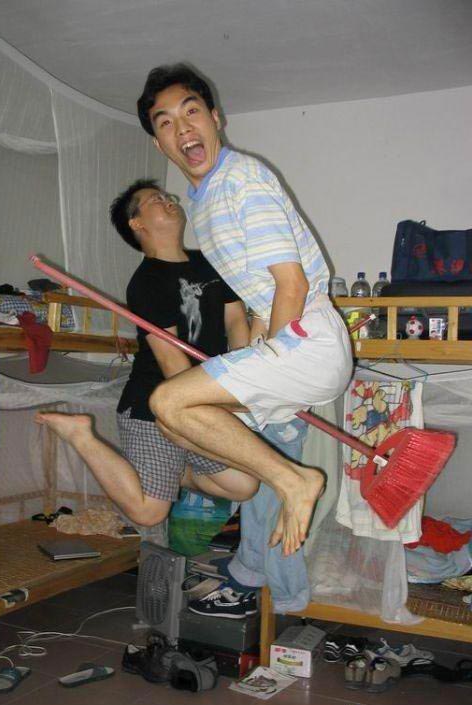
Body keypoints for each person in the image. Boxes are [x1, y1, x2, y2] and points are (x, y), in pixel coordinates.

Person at [136, 64, 353, 555]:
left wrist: (269, 356)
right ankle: (282, 478)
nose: (182, 128)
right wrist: (252, 350)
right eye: (166, 122)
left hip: (308, 340)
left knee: (168, 401)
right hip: (292, 340)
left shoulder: (241, 180)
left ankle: (295, 481)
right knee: (175, 422)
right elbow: (259, 300)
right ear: (159, 143)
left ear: (216, 117)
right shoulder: (204, 201)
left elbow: (291, 284)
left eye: (191, 112)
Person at [35, 179, 257, 530]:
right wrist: (222, 402)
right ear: (137, 223)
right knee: (149, 513)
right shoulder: (146, 283)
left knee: (243, 485)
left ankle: (172, 471)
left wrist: (242, 379)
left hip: (201, 400)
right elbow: (172, 364)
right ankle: (81, 434)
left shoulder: (210, 263)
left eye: (168, 196)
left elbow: (236, 320)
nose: (169, 200)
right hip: (153, 405)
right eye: (156, 199)